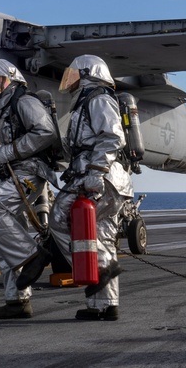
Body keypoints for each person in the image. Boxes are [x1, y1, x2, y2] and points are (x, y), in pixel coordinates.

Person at [48, 54, 133, 322]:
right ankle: (105, 305)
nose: (69, 79)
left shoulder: (97, 98)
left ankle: (97, 273)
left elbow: (112, 136)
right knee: (102, 240)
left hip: (98, 177)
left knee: (59, 219)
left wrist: (96, 171)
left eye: (74, 74)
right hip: (114, 181)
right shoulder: (90, 100)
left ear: (87, 74)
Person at [0, 59, 57, 320]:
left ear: (9, 79)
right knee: (5, 239)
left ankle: (33, 255)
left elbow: (46, 131)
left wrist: (8, 152)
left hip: (29, 173)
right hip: (8, 174)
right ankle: (17, 302)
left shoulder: (23, 101)